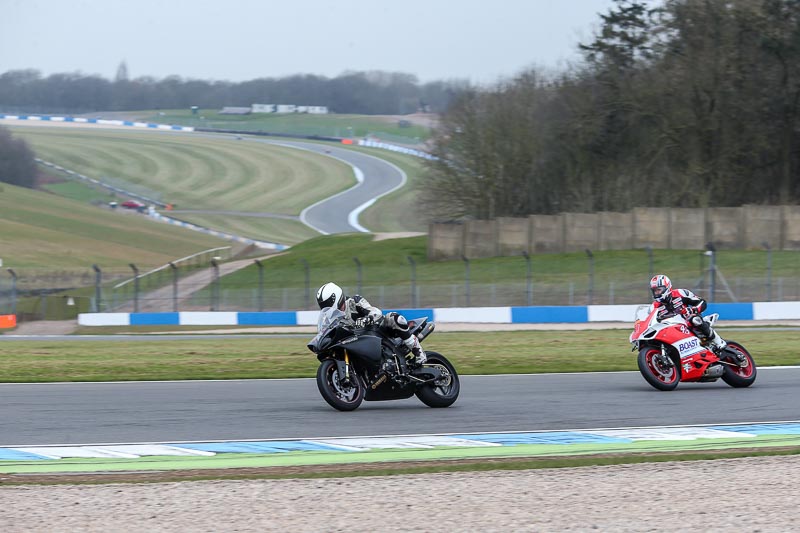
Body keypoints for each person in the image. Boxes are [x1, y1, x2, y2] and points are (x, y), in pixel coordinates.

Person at [315, 282, 427, 364]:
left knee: (394, 318)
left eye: (326, 303)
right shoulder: (329, 318)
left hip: (377, 332)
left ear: (335, 298)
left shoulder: (354, 302)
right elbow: (326, 330)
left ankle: (418, 352)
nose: (325, 307)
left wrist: (366, 319)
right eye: (322, 305)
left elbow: (375, 312)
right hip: (356, 344)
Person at [649, 274, 727, 352]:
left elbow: (702, 302)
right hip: (672, 329)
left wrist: (693, 309)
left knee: (694, 319)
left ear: (667, 287)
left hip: (688, 323)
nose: (657, 293)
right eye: (655, 291)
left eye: (659, 290)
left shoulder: (681, 293)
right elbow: (650, 321)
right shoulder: (654, 306)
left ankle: (719, 341)